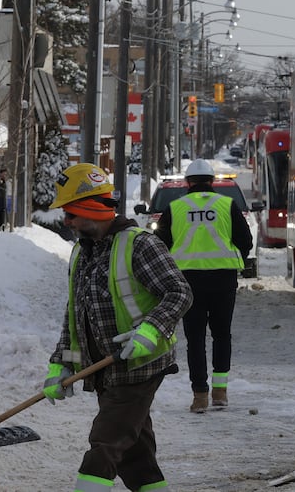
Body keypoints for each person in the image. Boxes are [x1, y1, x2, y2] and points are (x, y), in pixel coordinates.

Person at [43, 163, 193, 492]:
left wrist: (149, 331)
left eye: (70, 214)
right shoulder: (82, 252)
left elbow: (179, 293)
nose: (66, 221)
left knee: (105, 445)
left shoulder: (140, 245)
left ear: (90, 208)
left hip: (139, 365)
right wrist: (60, 362)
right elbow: (76, 311)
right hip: (105, 371)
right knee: (135, 455)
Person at [156, 158, 253, 413]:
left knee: (195, 339)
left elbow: (160, 245)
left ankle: (200, 395)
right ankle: (220, 393)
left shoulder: (175, 208)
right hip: (223, 279)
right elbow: (245, 240)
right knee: (222, 335)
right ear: (212, 182)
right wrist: (234, 260)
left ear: (188, 183)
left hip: (188, 282)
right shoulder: (226, 205)